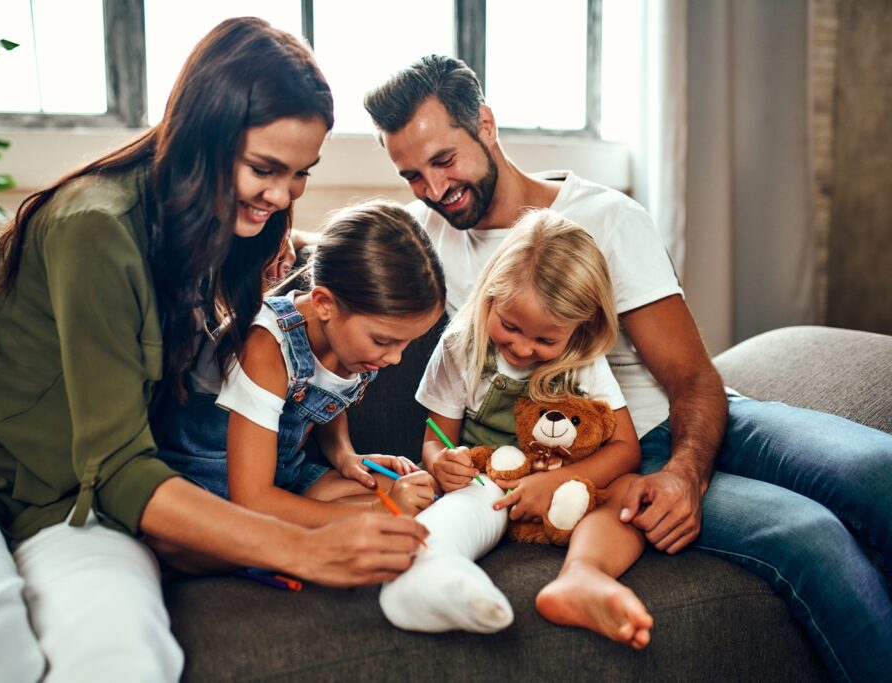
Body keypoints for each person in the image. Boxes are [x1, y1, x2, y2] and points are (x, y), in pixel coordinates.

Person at [0, 19, 430, 682]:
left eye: (301, 174)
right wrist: (304, 546)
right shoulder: (95, 226)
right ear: (204, 135)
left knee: (125, 658)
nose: (282, 195)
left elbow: (346, 277)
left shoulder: (240, 226)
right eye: (264, 169)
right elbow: (122, 466)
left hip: (76, 506)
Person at [365, 54, 892, 680]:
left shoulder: (607, 218)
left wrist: (686, 475)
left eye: (444, 161)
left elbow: (693, 377)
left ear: (485, 124)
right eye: (412, 176)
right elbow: (340, 296)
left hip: (696, 418)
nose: (432, 189)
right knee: (810, 538)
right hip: (609, 456)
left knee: (876, 469)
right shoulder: (428, 244)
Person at [378, 210, 651, 648]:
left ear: (580, 329)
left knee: (630, 491)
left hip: (570, 490)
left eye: (545, 341)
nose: (523, 348)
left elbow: (625, 449)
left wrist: (558, 481)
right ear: (489, 296)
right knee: (465, 505)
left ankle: (582, 576)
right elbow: (435, 438)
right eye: (509, 327)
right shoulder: (461, 345)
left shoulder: (582, 359)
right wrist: (440, 461)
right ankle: (432, 573)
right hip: (492, 487)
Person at [155, 199, 442, 531]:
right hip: (214, 486)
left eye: (406, 343)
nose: (395, 358)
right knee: (391, 507)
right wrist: (379, 511)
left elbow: (324, 401)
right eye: (383, 341)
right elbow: (252, 500)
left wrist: (345, 455)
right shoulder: (264, 345)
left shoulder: (352, 345)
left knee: (417, 491)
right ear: (324, 304)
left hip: (286, 476)